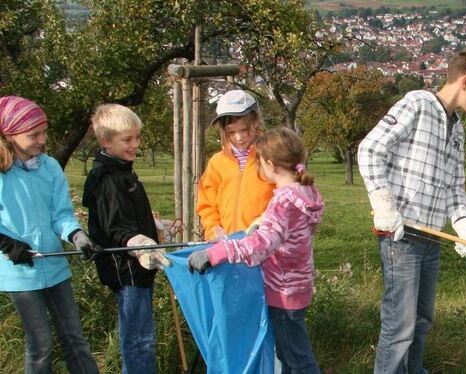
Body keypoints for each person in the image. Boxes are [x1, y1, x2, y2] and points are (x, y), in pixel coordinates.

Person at [357, 50, 466, 373]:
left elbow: (454, 187)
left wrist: (465, 227)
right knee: (399, 327)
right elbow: (370, 150)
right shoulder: (417, 104)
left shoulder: (457, 128)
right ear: (465, 81)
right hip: (401, 237)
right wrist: (384, 206)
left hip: (431, 239)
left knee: (421, 321)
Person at [188, 127, 324, 374]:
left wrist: (216, 253)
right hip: (298, 286)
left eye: (259, 163)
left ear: (270, 165)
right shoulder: (305, 193)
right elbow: (287, 233)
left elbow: (260, 247)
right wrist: (264, 222)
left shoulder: (283, 201)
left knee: (297, 359)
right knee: (288, 355)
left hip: (283, 292)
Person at [0, 96, 100, 373]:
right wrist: (8, 244)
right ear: (10, 135)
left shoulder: (50, 167)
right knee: (41, 344)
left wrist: (77, 235)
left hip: (55, 267)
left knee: (74, 339)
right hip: (20, 273)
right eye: (34, 134)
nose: (43, 140)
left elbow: (61, 214)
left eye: (44, 131)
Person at [82, 104, 171, 374]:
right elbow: (115, 229)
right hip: (128, 269)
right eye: (127, 140)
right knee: (139, 339)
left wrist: (154, 225)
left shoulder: (123, 171)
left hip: (138, 268)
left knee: (142, 335)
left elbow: (126, 215)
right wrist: (140, 244)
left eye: (137, 138)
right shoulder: (108, 179)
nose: (136, 145)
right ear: (106, 141)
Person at [197, 89, 274, 240]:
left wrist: (266, 227)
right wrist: (213, 229)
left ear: (256, 121)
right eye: (231, 133)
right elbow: (207, 204)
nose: (239, 138)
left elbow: (284, 195)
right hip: (226, 246)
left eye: (244, 130)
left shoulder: (270, 156)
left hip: (264, 245)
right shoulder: (217, 163)